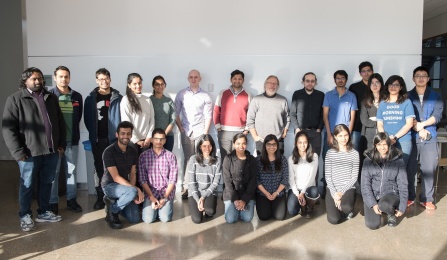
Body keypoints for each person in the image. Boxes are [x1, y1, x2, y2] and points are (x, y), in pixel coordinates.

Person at [2, 67, 66, 231]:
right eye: (34, 79)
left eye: (40, 79)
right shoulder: (15, 99)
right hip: (29, 154)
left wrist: (61, 144)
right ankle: (25, 215)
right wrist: (17, 152)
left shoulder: (50, 97)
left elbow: (60, 123)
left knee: (47, 183)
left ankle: (43, 211)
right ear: (25, 81)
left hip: (51, 152)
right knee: (27, 185)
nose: (38, 81)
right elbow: (8, 129)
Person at [84, 68, 122, 210]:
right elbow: (88, 120)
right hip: (98, 140)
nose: (104, 81)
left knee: (113, 169)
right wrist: (94, 135)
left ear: (110, 79)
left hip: (113, 140)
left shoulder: (117, 97)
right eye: (100, 79)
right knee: (99, 169)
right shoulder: (90, 98)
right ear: (96, 80)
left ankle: (111, 196)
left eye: (106, 78)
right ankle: (100, 197)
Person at [407, 66, 443, 210]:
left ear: (428, 79)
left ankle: (427, 199)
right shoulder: (407, 96)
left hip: (430, 136)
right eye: (418, 75)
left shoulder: (436, 95)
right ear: (413, 78)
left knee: (429, 168)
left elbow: (438, 114)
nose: (421, 78)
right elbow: (406, 115)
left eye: (424, 76)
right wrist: (417, 127)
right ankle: (409, 196)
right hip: (412, 136)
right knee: (410, 168)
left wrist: (422, 125)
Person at [48, 66, 83, 214]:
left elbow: (78, 118)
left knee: (71, 172)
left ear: (69, 78)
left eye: (66, 76)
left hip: (71, 141)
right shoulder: (49, 96)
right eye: (61, 76)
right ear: (55, 78)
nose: (64, 79)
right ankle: (53, 203)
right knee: (53, 174)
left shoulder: (76, 96)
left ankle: (71, 200)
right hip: (54, 143)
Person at [175, 70, 212, 199]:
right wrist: (180, 128)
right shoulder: (181, 94)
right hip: (186, 131)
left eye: (196, 77)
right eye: (191, 77)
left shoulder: (205, 96)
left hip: (200, 132)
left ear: (200, 78)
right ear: (188, 78)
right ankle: (186, 187)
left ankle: (200, 187)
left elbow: (208, 116)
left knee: (200, 160)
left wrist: (205, 134)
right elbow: (176, 113)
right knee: (187, 160)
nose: (193, 79)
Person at [101, 121, 144, 229]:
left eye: (128, 133)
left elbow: (133, 173)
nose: (126, 136)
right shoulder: (109, 151)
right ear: (117, 134)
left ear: (131, 135)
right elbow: (115, 177)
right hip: (109, 185)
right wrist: (134, 189)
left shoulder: (133, 151)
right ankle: (112, 211)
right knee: (133, 191)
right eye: (123, 133)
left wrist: (132, 192)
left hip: (125, 187)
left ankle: (113, 204)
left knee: (135, 219)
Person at [362, 133, 408, 229]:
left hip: (390, 194)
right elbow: (365, 185)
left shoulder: (398, 160)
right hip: (373, 194)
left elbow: (403, 184)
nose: (382, 148)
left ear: (389, 144)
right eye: (379, 144)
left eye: (384, 144)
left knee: (385, 205)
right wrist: (373, 204)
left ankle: (390, 213)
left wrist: (402, 206)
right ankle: (378, 207)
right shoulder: (368, 160)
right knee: (372, 225)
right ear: (375, 145)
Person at [139, 128, 178, 223]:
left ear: (165, 140)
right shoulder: (143, 156)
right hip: (151, 192)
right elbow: (142, 179)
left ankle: (163, 207)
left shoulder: (171, 156)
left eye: (162, 139)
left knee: (165, 218)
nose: (159, 141)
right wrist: (152, 197)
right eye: (156, 138)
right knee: (148, 220)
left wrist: (164, 198)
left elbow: (173, 180)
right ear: (151, 139)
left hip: (166, 193)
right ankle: (154, 209)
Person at [247, 75, 290, 155]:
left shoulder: (283, 100)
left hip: (278, 140)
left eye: (275, 83)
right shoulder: (256, 100)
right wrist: (255, 136)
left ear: (278, 86)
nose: (272, 85)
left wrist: (284, 132)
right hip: (261, 140)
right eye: (270, 83)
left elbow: (287, 118)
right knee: (261, 165)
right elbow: (250, 119)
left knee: (278, 165)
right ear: (265, 84)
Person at [213, 69, 251, 160]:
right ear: (231, 80)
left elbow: (251, 115)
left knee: (238, 158)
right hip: (224, 132)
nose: (237, 80)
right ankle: (225, 175)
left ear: (243, 80)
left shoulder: (248, 95)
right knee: (225, 157)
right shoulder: (222, 93)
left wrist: (246, 130)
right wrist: (218, 126)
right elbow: (216, 110)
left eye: (240, 79)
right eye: (235, 78)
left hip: (240, 132)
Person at [376, 75, 415, 166]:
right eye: (391, 85)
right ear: (387, 86)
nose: (393, 87)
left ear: (401, 87)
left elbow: (409, 124)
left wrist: (395, 137)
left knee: (401, 170)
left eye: (396, 85)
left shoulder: (406, 102)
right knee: (387, 169)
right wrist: (386, 138)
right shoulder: (382, 103)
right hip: (386, 142)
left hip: (403, 141)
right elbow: (380, 124)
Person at [325, 124, 359, 224]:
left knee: (347, 207)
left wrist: (341, 193)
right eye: (340, 136)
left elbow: (354, 177)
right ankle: (339, 208)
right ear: (335, 137)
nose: (344, 138)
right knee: (333, 220)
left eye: (346, 135)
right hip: (332, 188)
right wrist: (335, 194)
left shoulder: (354, 154)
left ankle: (347, 209)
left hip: (348, 188)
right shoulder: (330, 153)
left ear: (349, 135)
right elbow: (328, 177)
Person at [222, 133, 257, 223]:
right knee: (230, 219)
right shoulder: (228, 159)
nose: (241, 146)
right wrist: (235, 199)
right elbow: (227, 181)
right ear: (233, 144)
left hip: (247, 194)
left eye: (243, 143)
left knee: (247, 218)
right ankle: (236, 208)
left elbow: (253, 181)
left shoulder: (252, 160)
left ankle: (239, 208)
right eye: (238, 143)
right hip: (232, 194)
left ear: (246, 144)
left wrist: (244, 200)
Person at [322, 70, 358, 158]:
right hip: (331, 133)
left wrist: (348, 134)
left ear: (346, 80)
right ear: (334, 80)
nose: (340, 80)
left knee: (344, 158)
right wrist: (329, 135)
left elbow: (352, 118)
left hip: (345, 134)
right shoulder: (328, 95)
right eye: (338, 78)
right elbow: (325, 115)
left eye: (342, 78)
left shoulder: (352, 96)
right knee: (327, 158)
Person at [187, 134, 221, 224]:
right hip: (195, 192)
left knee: (210, 211)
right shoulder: (193, 159)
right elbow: (191, 183)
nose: (207, 148)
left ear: (213, 147)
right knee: (197, 220)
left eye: (209, 146)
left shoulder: (217, 160)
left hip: (209, 192)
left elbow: (215, 183)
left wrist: (203, 197)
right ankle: (197, 206)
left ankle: (208, 206)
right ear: (200, 147)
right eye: (204, 146)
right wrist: (198, 199)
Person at [290, 72, 325, 157]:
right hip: (301, 131)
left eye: (312, 81)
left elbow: (323, 114)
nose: (310, 83)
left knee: (315, 159)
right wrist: (297, 128)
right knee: (299, 159)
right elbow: (292, 113)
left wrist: (319, 128)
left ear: (315, 82)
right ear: (303, 82)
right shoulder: (297, 94)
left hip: (315, 132)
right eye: (307, 81)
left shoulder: (321, 95)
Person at [287, 131, 320, 219]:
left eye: (305, 142)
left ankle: (309, 206)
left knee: (314, 191)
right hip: (296, 189)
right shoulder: (291, 159)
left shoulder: (314, 157)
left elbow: (312, 177)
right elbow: (291, 179)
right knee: (292, 211)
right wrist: (298, 194)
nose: (302, 145)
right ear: (296, 144)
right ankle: (301, 204)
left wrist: (303, 192)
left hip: (308, 188)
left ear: (308, 143)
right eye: (300, 142)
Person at [255, 135, 288, 221]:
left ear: (277, 145)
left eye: (274, 144)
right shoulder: (258, 160)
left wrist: (277, 192)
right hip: (263, 193)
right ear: (265, 146)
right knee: (264, 216)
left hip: (278, 193)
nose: (271, 147)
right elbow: (256, 180)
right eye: (269, 144)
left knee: (279, 217)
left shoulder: (283, 159)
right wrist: (266, 193)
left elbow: (285, 179)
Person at [120, 73, 155, 154]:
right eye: (134, 84)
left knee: (145, 166)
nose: (138, 86)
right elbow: (126, 122)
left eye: (139, 83)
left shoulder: (147, 100)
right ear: (129, 85)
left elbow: (152, 119)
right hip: (132, 141)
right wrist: (137, 140)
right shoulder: (125, 100)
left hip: (146, 141)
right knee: (133, 165)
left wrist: (149, 137)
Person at [349, 61, 374, 152]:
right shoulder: (354, 87)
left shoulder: (378, 86)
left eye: (368, 70)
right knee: (355, 152)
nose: (366, 73)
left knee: (372, 152)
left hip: (373, 127)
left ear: (372, 72)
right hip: (357, 126)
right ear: (360, 74)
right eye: (363, 71)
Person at [149, 75, 176, 151]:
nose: (160, 86)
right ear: (153, 86)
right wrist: (157, 136)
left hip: (168, 136)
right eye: (157, 84)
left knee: (167, 160)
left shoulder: (169, 101)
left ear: (165, 85)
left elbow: (173, 119)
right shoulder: (149, 100)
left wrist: (164, 134)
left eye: (162, 84)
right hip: (153, 137)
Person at [360, 73, 384, 150]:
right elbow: (364, 120)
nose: (375, 85)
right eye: (372, 83)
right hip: (369, 133)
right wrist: (378, 123)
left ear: (381, 84)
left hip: (385, 132)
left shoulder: (387, 100)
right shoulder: (365, 101)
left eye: (377, 82)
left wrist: (376, 121)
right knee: (370, 155)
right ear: (369, 86)